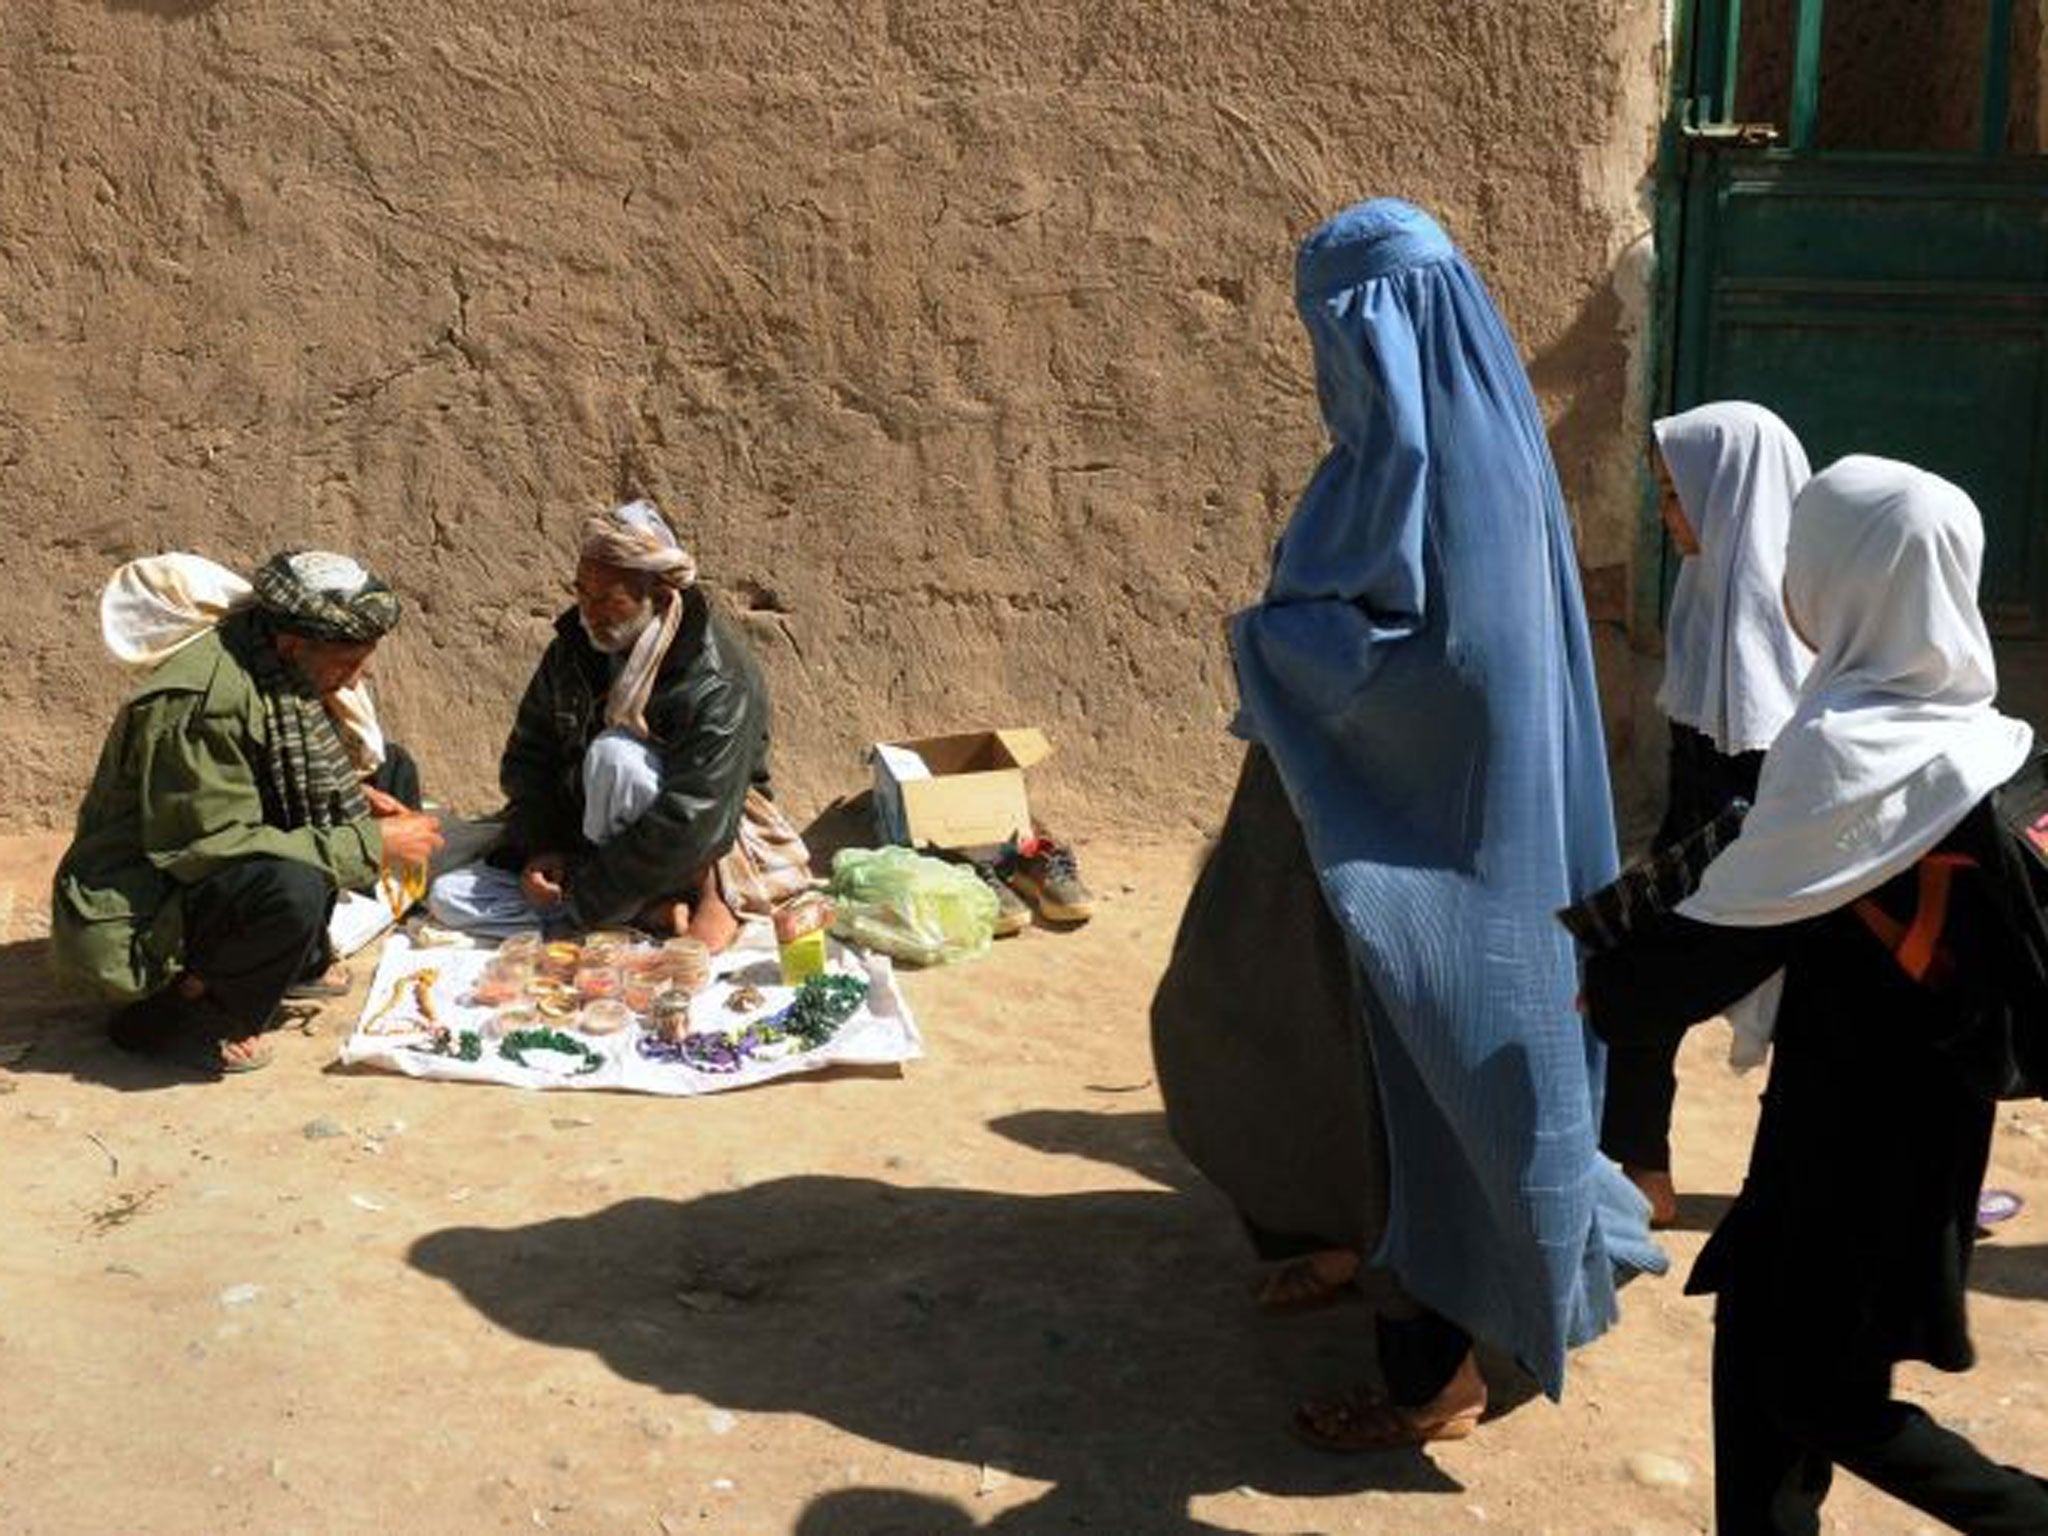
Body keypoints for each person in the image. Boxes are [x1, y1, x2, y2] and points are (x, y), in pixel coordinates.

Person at [1178, 198, 1661, 1452]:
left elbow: (1406, 670)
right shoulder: (1495, 455)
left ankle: (1428, 1378)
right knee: (1289, 1038)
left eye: (1336, 333)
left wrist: (1263, 636)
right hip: (1395, 827)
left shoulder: (1396, 475)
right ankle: (1336, 1235)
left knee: (1413, 1090)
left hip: (1406, 853)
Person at [1584, 456, 2048, 1533]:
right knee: (1757, 1354)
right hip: (1916, 1129)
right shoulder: (1981, 740)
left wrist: (1605, 991)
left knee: (1814, 1392)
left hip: (1852, 1143)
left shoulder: (1852, 756)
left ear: (1847, 577)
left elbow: (1709, 954)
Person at [51, 550, 444, 1074]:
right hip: (147, 901)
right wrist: (371, 844)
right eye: (347, 664)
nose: (354, 681)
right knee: (290, 886)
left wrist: (349, 791)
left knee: (390, 769)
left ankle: (298, 958)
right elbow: (203, 847)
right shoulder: (200, 705)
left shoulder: (269, 659)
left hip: (205, 853)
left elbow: (269, 772)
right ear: (294, 644)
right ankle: (182, 1013)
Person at [1602, 401, 1812, 1226]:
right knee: (1626, 973)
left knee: (1822, 1017)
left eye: (1678, 496)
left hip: (1786, 866)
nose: (1667, 518)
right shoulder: (1704, 590)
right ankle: (1642, 1167)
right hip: (1708, 847)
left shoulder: (1795, 603)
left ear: (1731, 498)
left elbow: (1768, 776)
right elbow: (1697, 766)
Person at [430, 500, 808, 947]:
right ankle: (646, 913)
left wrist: (582, 903)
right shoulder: (573, 651)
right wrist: (544, 849)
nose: (589, 611)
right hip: (590, 848)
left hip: (699, 848)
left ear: (662, 598)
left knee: (616, 756)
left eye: (608, 598)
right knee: (448, 897)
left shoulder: (715, 678)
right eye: (582, 593)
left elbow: (695, 818)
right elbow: (531, 757)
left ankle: (687, 901)